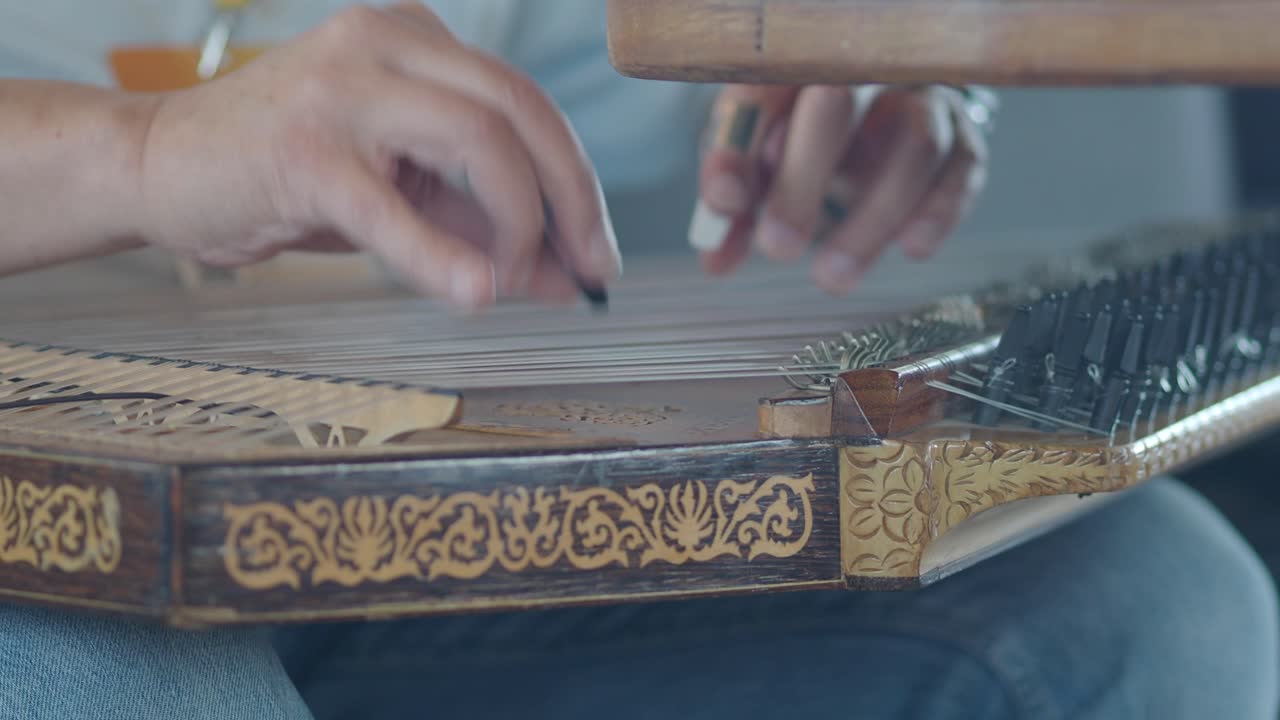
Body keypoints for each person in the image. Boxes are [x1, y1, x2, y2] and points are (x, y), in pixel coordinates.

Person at [0, 2, 1276, 718]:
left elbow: (696, 56)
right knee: (140, 681)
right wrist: (145, 150)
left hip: (335, 521)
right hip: (48, 546)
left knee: (1150, 609)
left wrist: (866, 59)